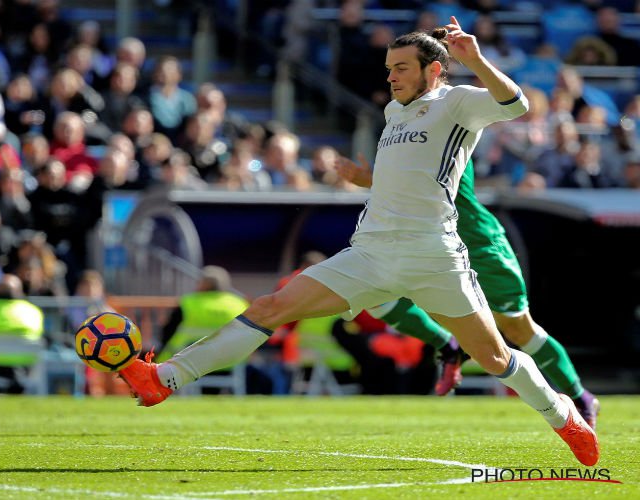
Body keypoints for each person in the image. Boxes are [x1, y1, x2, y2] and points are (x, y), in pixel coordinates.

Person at [117, 18, 599, 466]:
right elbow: (405, 181)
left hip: (434, 254)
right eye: (389, 68)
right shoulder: (393, 111)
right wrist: (361, 178)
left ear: (434, 70)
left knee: (495, 357)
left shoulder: (458, 101)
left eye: (401, 69)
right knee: (269, 307)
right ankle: (163, 379)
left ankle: (565, 417)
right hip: (369, 253)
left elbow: (517, 105)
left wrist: (473, 58)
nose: (390, 78)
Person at [338, 155, 600, 427]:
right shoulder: (403, 125)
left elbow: (427, 188)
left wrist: (370, 180)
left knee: (518, 329)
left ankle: (581, 397)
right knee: (376, 296)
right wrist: (369, 180)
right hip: (430, 246)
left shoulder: (448, 126)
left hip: (478, 244)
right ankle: (448, 346)